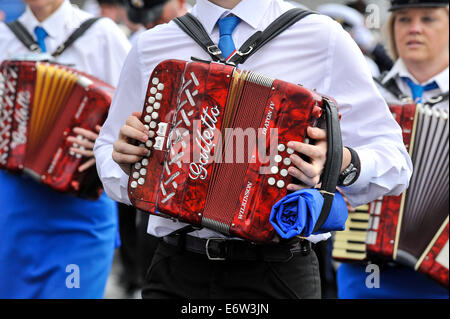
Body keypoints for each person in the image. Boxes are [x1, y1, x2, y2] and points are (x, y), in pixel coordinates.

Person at [94, 0, 412, 299]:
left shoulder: (322, 37)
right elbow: (108, 150)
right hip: (176, 265)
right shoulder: (150, 46)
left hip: (278, 269)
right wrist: (130, 166)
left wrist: (339, 163)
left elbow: (394, 160)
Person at [0, 0, 130, 298]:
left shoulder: (102, 34)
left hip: (80, 205)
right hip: (12, 208)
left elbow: (140, 111)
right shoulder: (3, 37)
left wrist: (105, 143)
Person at [336, 0, 449, 299]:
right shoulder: (365, 89)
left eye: (428, 19)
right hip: (364, 266)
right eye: (402, 20)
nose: (414, 29)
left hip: (441, 276)